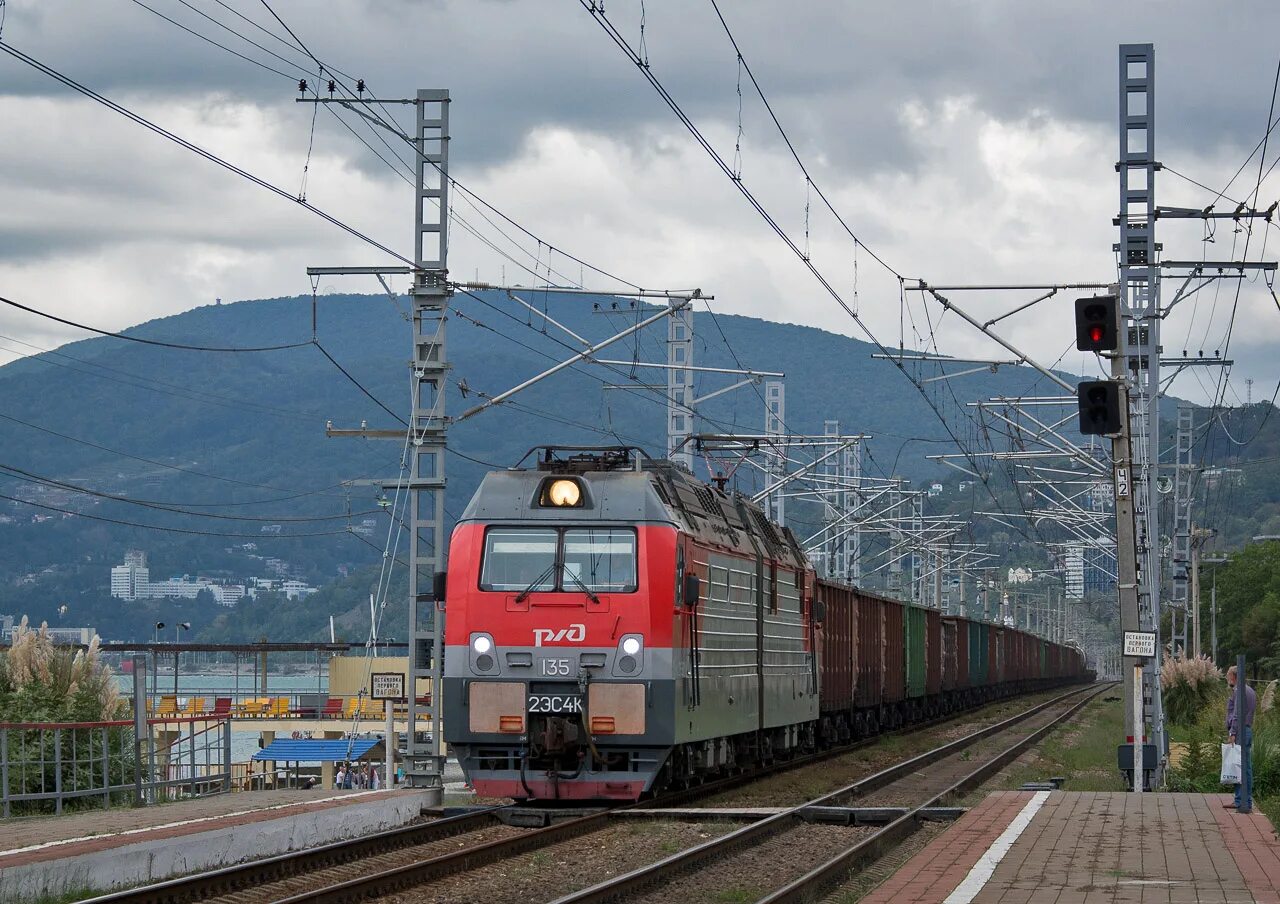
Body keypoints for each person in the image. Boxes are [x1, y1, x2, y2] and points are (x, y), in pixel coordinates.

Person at [1226, 665, 1257, 813]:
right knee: (1246, 767)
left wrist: (1233, 732)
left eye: (1228, 675)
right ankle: (1244, 799)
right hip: (1247, 729)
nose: (1227, 678)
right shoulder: (1250, 690)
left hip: (1240, 731)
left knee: (1240, 766)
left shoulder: (1239, 691)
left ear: (1234, 676)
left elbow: (1238, 713)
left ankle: (1242, 801)